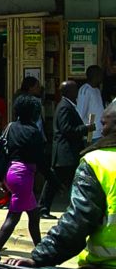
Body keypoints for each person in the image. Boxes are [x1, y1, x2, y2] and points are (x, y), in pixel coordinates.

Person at [8, 101, 116, 269]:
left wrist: (40, 258)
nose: (102, 131)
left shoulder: (98, 162)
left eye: (105, 124)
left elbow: (77, 222)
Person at [0, 94, 49, 252]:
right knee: (13, 218)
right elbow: (40, 159)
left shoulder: (11, 127)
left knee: (34, 214)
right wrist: (52, 178)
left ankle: (40, 249)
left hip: (11, 174)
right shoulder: (33, 131)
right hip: (23, 176)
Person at [38, 80, 87, 218]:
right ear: (69, 92)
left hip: (67, 153)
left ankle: (45, 208)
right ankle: (43, 208)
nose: (77, 91)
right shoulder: (65, 107)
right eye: (75, 89)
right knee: (55, 181)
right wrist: (85, 128)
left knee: (57, 181)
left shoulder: (68, 105)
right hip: (65, 153)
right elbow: (66, 129)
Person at [78, 65, 105, 141]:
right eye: (100, 74)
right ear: (95, 75)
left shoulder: (97, 90)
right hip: (91, 135)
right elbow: (80, 113)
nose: (102, 77)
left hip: (100, 132)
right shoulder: (85, 90)